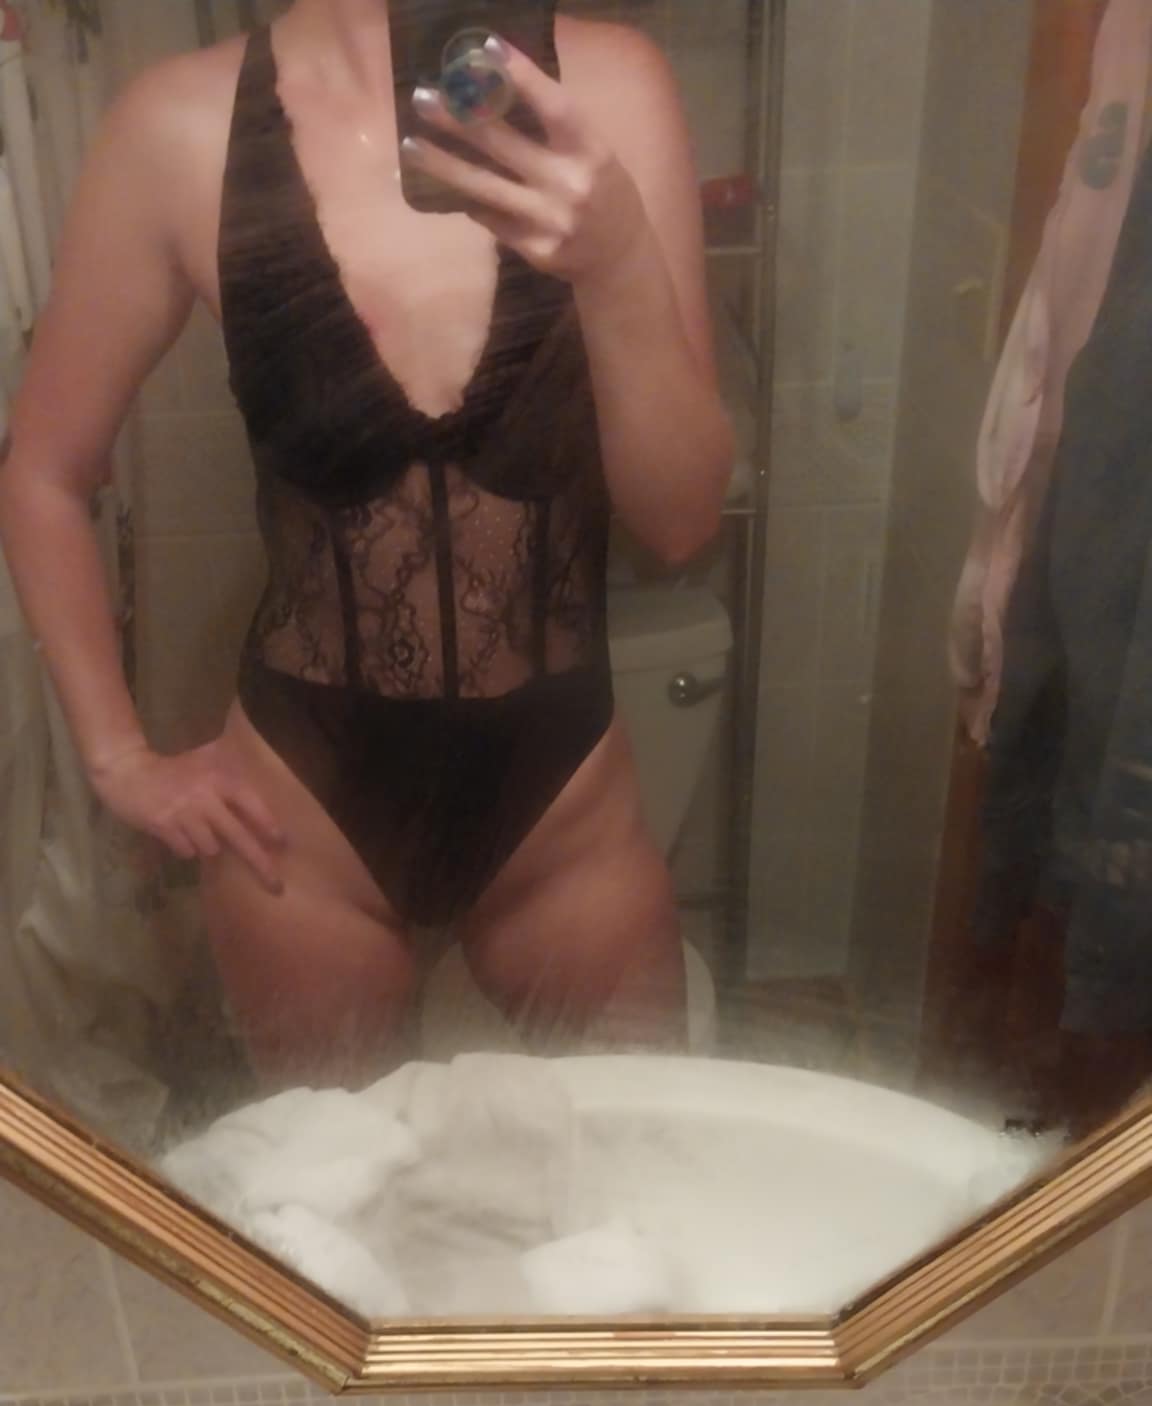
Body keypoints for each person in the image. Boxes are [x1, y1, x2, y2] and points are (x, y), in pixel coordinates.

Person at [0, 0, 733, 1085]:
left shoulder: (611, 88)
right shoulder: (177, 128)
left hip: (566, 811)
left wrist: (618, 259)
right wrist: (119, 760)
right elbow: (43, 473)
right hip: (306, 820)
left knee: (642, 1164)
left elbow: (680, 522)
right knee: (335, 1189)